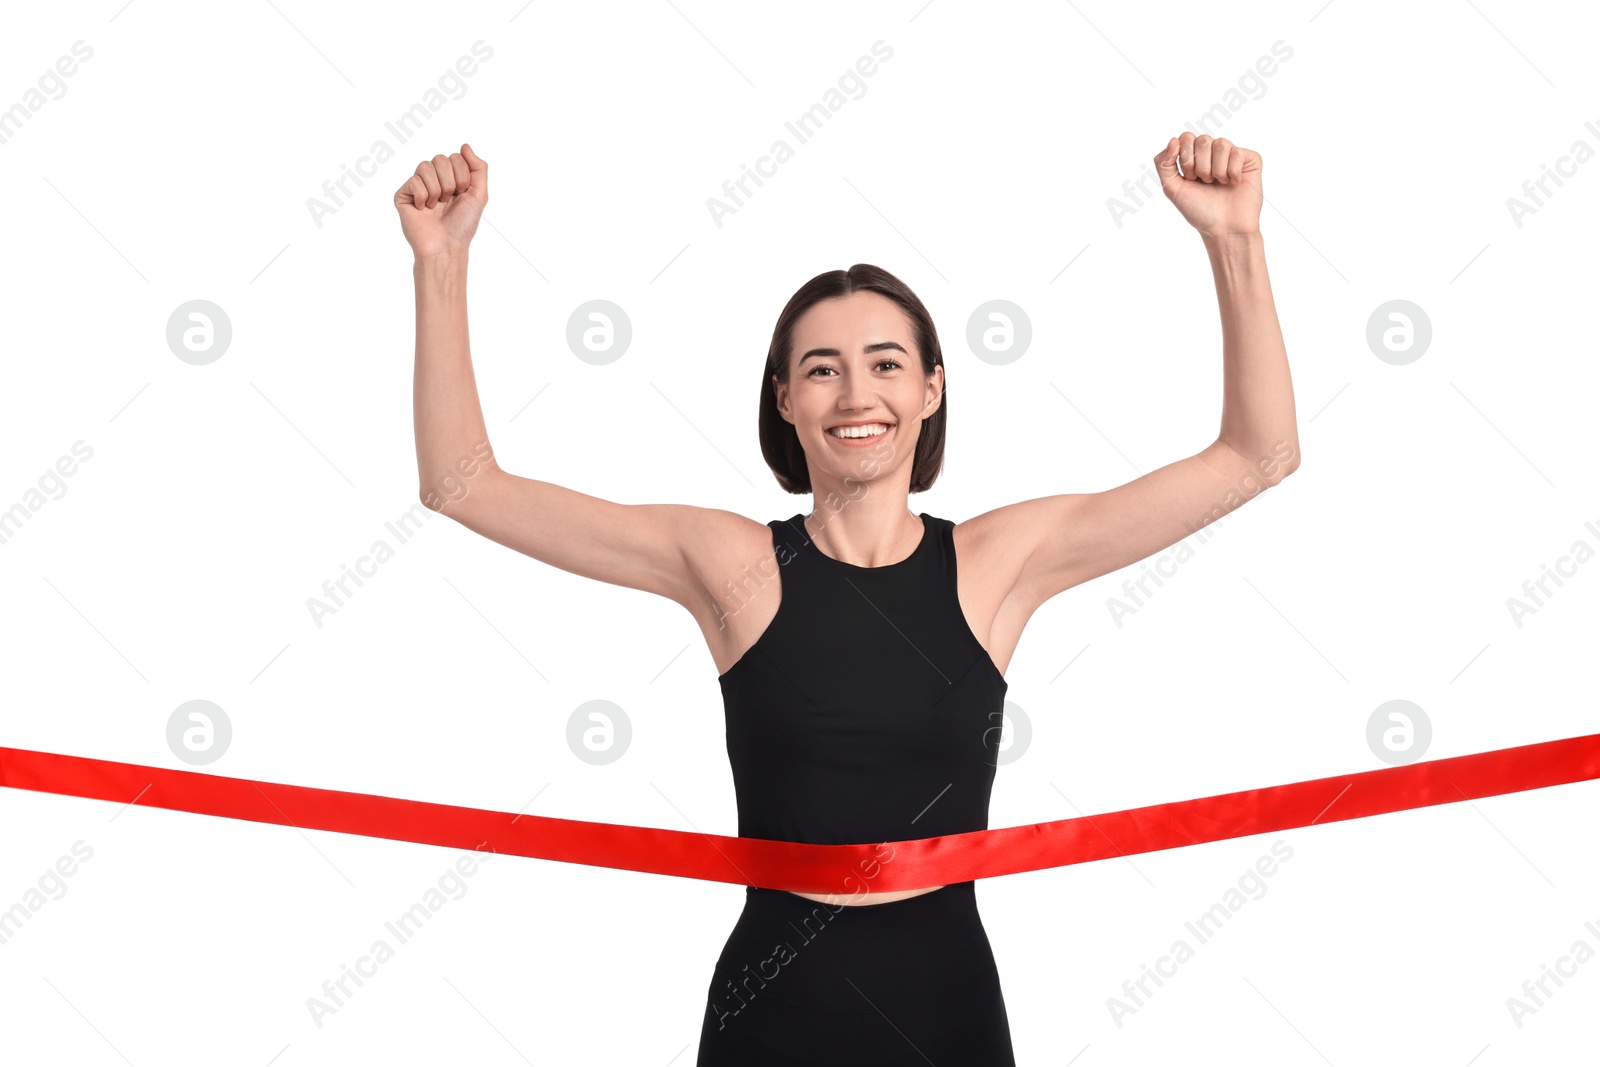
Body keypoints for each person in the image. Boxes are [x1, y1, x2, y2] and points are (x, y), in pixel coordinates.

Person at [394, 136, 1298, 1065]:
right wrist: (441, 259)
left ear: (933, 387)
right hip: (775, 1011)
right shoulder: (729, 565)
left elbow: (1258, 455)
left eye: (887, 363)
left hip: (946, 1007)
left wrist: (1236, 239)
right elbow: (465, 486)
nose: (855, 393)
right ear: (784, 398)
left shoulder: (998, 563)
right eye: (822, 368)